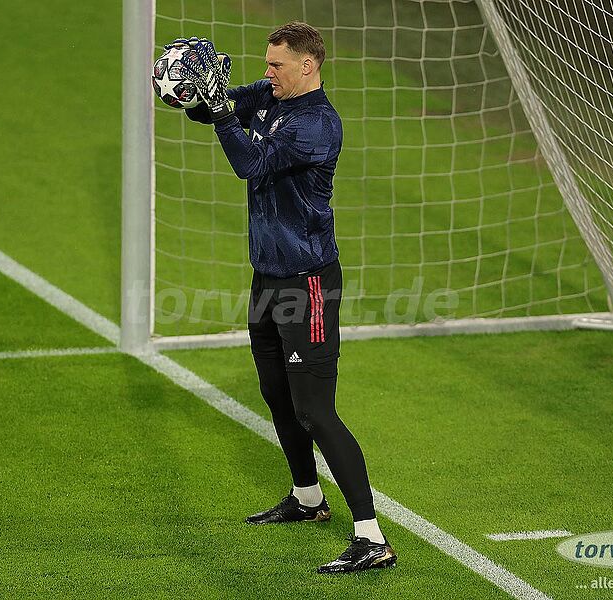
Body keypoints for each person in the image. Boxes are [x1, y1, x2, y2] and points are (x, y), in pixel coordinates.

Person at [170, 22, 396, 574]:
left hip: (308, 282)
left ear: (307, 65)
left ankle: (371, 537)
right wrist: (194, 90)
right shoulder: (272, 96)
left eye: (276, 65)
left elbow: (248, 162)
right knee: (275, 392)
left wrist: (221, 112)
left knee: (315, 411)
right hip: (268, 278)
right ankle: (308, 498)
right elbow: (212, 112)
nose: (267, 73)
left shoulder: (316, 124)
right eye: (267, 63)